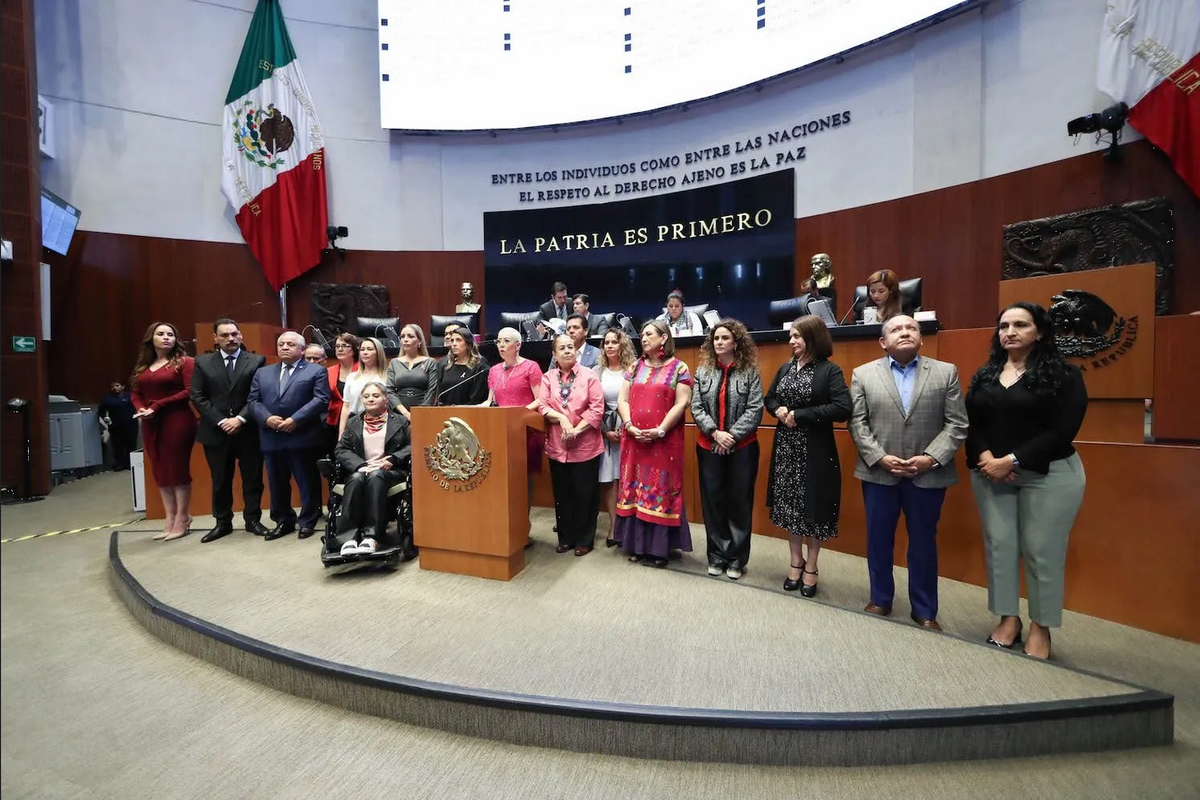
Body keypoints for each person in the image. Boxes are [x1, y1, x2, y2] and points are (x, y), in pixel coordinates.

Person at [966, 302, 1088, 660]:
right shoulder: (986, 374)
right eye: (1004, 325)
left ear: (1041, 331)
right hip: (991, 475)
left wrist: (1012, 460)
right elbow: (970, 423)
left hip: (1049, 475)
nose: (1010, 332)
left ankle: (1041, 627)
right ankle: (1008, 619)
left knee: (1041, 551)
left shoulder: (1064, 374)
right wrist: (986, 458)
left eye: (1021, 324)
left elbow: (1064, 430)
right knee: (1000, 547)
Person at [848, 315, 968, 630]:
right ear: (883, 342)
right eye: (896, 329)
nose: (905, 332)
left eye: (911, 328)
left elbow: (957, 423)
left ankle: (925, 609)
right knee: (878, 539)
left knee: (924, 542)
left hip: (927, 474)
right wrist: (879, 456)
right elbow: (857, 423)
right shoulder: (863, 374)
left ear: (921, 337)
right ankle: (881, 598)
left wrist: (931, 458)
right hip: (879, 473)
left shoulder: (945, 373)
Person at [765, 316, 852, 596]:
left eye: (797, 336)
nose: (791, 341)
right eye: (791, 336)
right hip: (787, 451)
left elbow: (842, 408)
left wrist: (800, 415)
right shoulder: (785, 368)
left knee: (814, 510)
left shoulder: (829, 370)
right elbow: (770, 398)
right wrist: (778, 410)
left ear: (813, 338)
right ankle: (795, 561)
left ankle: (811, 566)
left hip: (815, 451)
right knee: (790, 509)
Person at [614, 320, 694, 567]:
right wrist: (628, 425)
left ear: (664, 338)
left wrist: (660, 430)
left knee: (659, 489)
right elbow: (622, 400)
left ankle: (659, 549)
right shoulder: (634, 367)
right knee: (636, 489)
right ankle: (637, 546)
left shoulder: (679, 368)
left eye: (649, 334)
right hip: (634, 439)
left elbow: (682, 404)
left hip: (664, 441)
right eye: (642, 334)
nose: (643, 338)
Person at [691, 319, 764, 581]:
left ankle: (736, 558)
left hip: (742, 448)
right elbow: (696, 406)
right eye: (716, 338)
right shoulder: (703, 371)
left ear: (736, 342)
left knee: (740, 503)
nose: (719, 342)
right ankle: (716, 556)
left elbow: (755, 409)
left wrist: (731, 436)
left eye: (724, 338)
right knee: (713, 502)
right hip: (708, 445)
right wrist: (715, 433)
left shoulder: (750, 372)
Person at [189, 318, 269, 543]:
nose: (230, 339)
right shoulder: (202, 362)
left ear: (241, 335)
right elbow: (197, 396)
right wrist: (222, 420)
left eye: (234, 334)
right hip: (216, 431)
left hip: (248, 430)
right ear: (215, 338)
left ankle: (253, 520)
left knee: (252, 478)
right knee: (220, 479)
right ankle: (222, 523)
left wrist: (240, 419)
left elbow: (257, 395)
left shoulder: (256, 361)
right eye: (224, 335)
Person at [247, 331, 331, 541]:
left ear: (302, 350)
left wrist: (295, 419)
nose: (284, 347)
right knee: (277, 482)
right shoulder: (263, 373)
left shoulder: (315, 371)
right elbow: (253, 401)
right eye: (281, 344)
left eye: (290, 344)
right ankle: (283, 520)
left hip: (301, 434)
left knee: (306, 480)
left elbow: (321, 399)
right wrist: (266, 419)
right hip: (271, 435)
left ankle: (307, 521)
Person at [131, 322, 198, 541]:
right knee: (160, 470)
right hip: (150, 422)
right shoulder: (144, 366)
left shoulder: (185, 362)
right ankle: (169, 518)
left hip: (177, 419)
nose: (166, 337)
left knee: (176, 470)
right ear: (151, 338)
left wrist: (157, 406)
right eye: (161, 334)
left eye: (170, 334)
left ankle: (183, 517)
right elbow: (135, 392)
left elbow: (190, 391)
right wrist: (141, 408)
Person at [539, 335, 605, 556]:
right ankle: (565, 537)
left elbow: (597, 408)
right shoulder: (548, 378)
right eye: (562, 348)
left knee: (585, 494)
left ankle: (584, 539)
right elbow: (543, 406)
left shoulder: (590, 375)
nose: (567, 350)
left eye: (570, 347)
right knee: (562, 494)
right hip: (558, 447)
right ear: (554, 354)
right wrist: (562, 418)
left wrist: (576, 430)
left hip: (585, 445)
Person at [332, 381, 412, 557]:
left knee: (376, 476)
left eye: (376, 396)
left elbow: (413, 445)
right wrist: (360, 465)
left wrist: (392, 458)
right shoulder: (354, 422)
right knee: (355, 478)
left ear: (385, 400)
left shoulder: (399, 421)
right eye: (366, 396)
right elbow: (340, 449)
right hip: (362, 469)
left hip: (390, 471)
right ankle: (348, 538)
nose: (370, 399)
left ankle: (371, 536)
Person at [483, 326, 545, 541]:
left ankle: (522, 529)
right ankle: (502, 528)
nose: (501, 345)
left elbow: (541, 399)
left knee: (521, 482)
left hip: (524, 432)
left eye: (506, 341)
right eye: (498, 341)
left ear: (517, 345)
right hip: (499, 433)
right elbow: (490, 401)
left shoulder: (531, 367)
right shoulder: (494, 371)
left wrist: (519, 413)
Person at [597, 328, 635, 548]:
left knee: (626, 478)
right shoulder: (598, 371)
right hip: (605, 430)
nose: (610, 346)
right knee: (609, 479)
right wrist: (605, 430)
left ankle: (628, 526)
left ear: (623, 345)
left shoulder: (633, 369)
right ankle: (614, 525)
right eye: (606, 343)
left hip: (628, 428)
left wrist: (626, 426)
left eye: (614, 342)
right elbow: (592, 403)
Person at [385, 324, 438, 419]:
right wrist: (405, 414)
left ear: (420, 341)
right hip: (398, 414)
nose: (405, 339)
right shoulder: (394, 362)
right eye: (402, 337)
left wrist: (420, 414)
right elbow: (389, 390)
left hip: (424, 414)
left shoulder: (430, 362)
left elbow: (432, 391)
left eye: (410, 336)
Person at [339, 336, 389, 436]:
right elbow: (346, 407)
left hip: (381, 423)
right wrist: (341, 433)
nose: (365, 352)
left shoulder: (387, 377)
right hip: (355, 423)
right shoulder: (352, 377)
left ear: (378, 353)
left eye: (369, 349)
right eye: (362, 349)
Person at [435, 327, 489, 405]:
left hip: (469, 412)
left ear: (468, 344)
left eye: (458, 340)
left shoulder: (480, 367)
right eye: (452, 340)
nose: (454, 344)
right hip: (445, 412)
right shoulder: (446, 366)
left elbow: (476, 398)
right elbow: (440, 394)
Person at [98, 380, 138, 471]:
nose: (115, 388)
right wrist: (104, 417)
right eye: (113, 386)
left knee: (131, 444)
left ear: (122, 387)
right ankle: (120, 463)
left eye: (117, 385)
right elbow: (101, 410)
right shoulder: (107, 398)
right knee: (117, 445)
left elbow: (137, 406)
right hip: (115, 425)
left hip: (130, 424)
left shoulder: (130, 396)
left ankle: (130, 463)